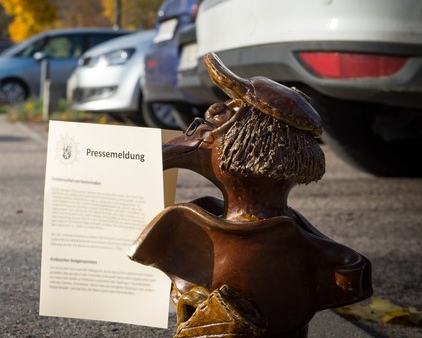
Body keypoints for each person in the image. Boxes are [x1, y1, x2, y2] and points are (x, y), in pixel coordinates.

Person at [128, 53, 372, 338]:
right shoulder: (309, 246)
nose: (206, 122)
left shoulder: (306, 246)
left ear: (249, 144)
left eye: (224, 115)